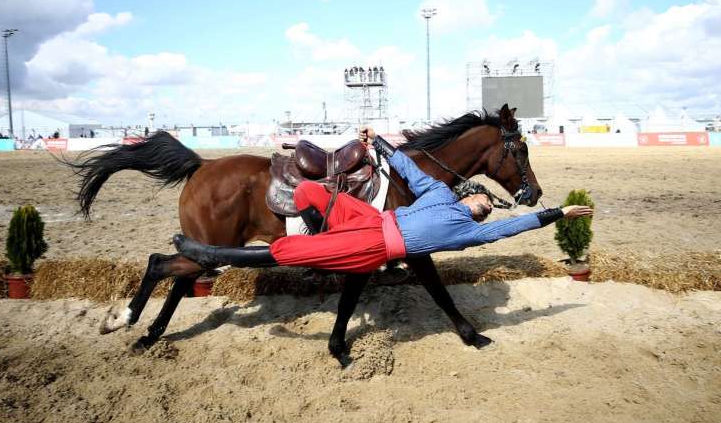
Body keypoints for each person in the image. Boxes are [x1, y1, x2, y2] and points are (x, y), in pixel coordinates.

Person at [172, 127, 593, 272]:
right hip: (373, 227)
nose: (483, 201)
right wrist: (381, 143)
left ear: (478, 216)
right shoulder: (439, 194)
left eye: (483, 205)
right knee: (308, 194)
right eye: (483, 198)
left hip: (376, 242)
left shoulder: (468, 231)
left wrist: (553, 215)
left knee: (284, 254)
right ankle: (211, 251)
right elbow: (409, 170)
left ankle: (203, 252)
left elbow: (508, 227)